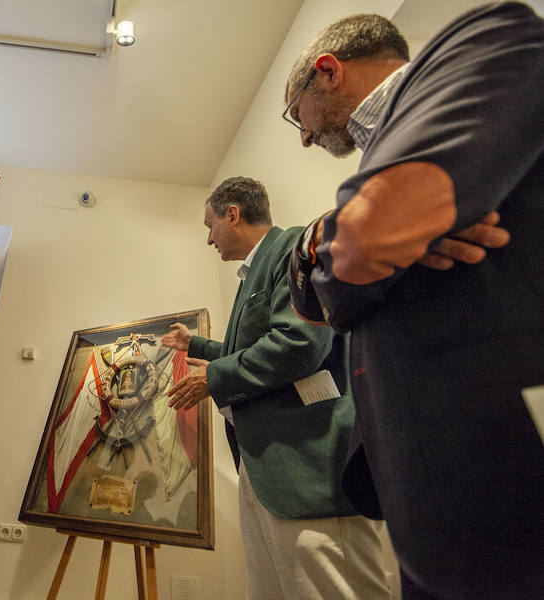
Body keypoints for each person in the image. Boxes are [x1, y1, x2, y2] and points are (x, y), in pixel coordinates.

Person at [282, 5, 544, 598]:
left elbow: (360, 246)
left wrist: (358, 239)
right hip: (425, 485)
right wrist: (331, 237)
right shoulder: (380, 162)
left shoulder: (487, 37)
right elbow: (313, 298)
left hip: (507, 470)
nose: (302, 135)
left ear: (327, 71)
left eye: (297, 114)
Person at [162, 177, 391, 599]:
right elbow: (251, 346)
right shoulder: (256, 269)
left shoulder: (290, 249)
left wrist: (211, 378)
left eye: (209, 224)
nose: (208, 238)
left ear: (233, 215)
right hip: (264, 465)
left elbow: (299, 343)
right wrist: (194, 344)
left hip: (304, 467)